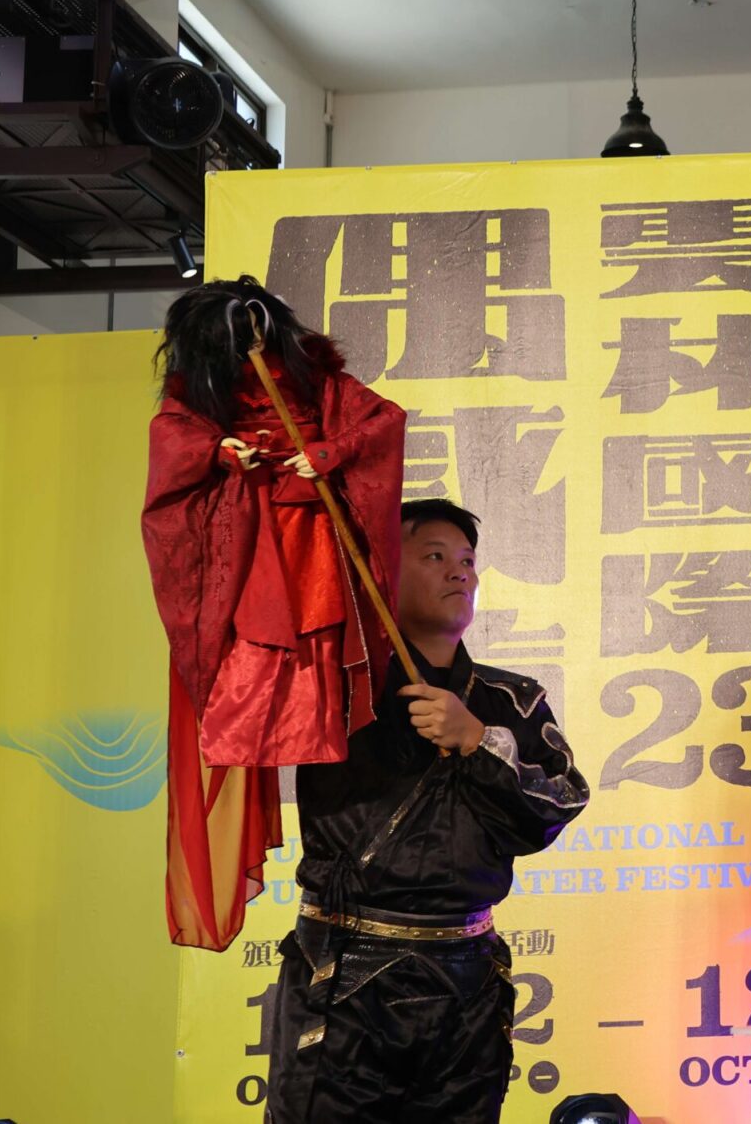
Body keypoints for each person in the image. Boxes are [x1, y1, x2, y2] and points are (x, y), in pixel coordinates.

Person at [266, 500, 590, 1124]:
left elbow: (559, 804)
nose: (459, 571)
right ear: (383, 574)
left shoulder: (512, 701)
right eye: (435, 556)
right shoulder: (336, 686)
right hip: (346, 971)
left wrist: (478, 740)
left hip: (467, 978)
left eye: (467, 560)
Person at [141, 274, 405, 951]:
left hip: (307, 523)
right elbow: (174, 438)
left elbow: (382, 420)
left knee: (317, 636)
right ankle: (261, 735)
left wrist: (326, 452)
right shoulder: (199, 388)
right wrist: (219, 450)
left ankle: (324, 741)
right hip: (248, 526)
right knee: (244, 648)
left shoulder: (315, 374)